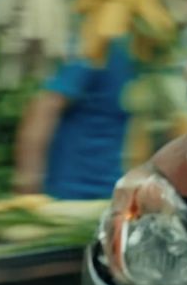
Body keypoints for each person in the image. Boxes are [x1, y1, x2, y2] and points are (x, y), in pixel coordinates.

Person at [13, 37, 137, 199]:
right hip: (72, 195)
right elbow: (44, 109)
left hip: (118, 194)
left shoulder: (149, 58)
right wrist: (28, 181)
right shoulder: (96, 47)